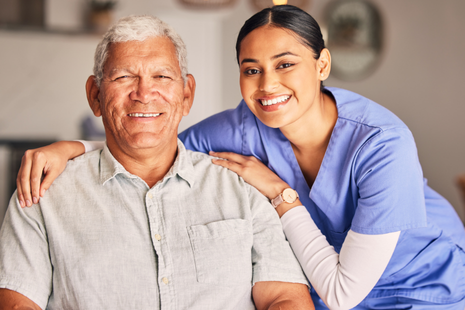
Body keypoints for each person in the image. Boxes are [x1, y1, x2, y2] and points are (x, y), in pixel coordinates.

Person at [13, 5, 465, 310]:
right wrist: (74, 149)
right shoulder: (241, 128)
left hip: (422, 286)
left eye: (286, 64)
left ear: (322, 65)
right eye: (252, 69)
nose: (268, 85)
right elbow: (151, 137)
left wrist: (281, 195)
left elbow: (342, 290)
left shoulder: (383, 145)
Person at [0, 15, 314, 310]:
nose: (144, 93)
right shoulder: (43, 193)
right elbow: (17, 301)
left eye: (161, 76)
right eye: (123, 76)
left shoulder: (242, 188)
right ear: (95, 96)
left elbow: (285, 296)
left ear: (186, 95)